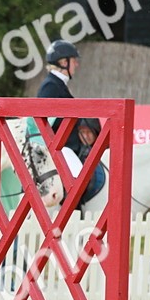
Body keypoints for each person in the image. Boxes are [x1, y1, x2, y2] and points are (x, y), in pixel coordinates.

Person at [37, 39, 103, 205]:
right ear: (63, 62)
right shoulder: (50, 86)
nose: (76, 65)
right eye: (74, 61)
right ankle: (69, 210)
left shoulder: (58, 85)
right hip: (59, 147)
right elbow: (45, 121)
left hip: (67, 145)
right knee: (78, 177)